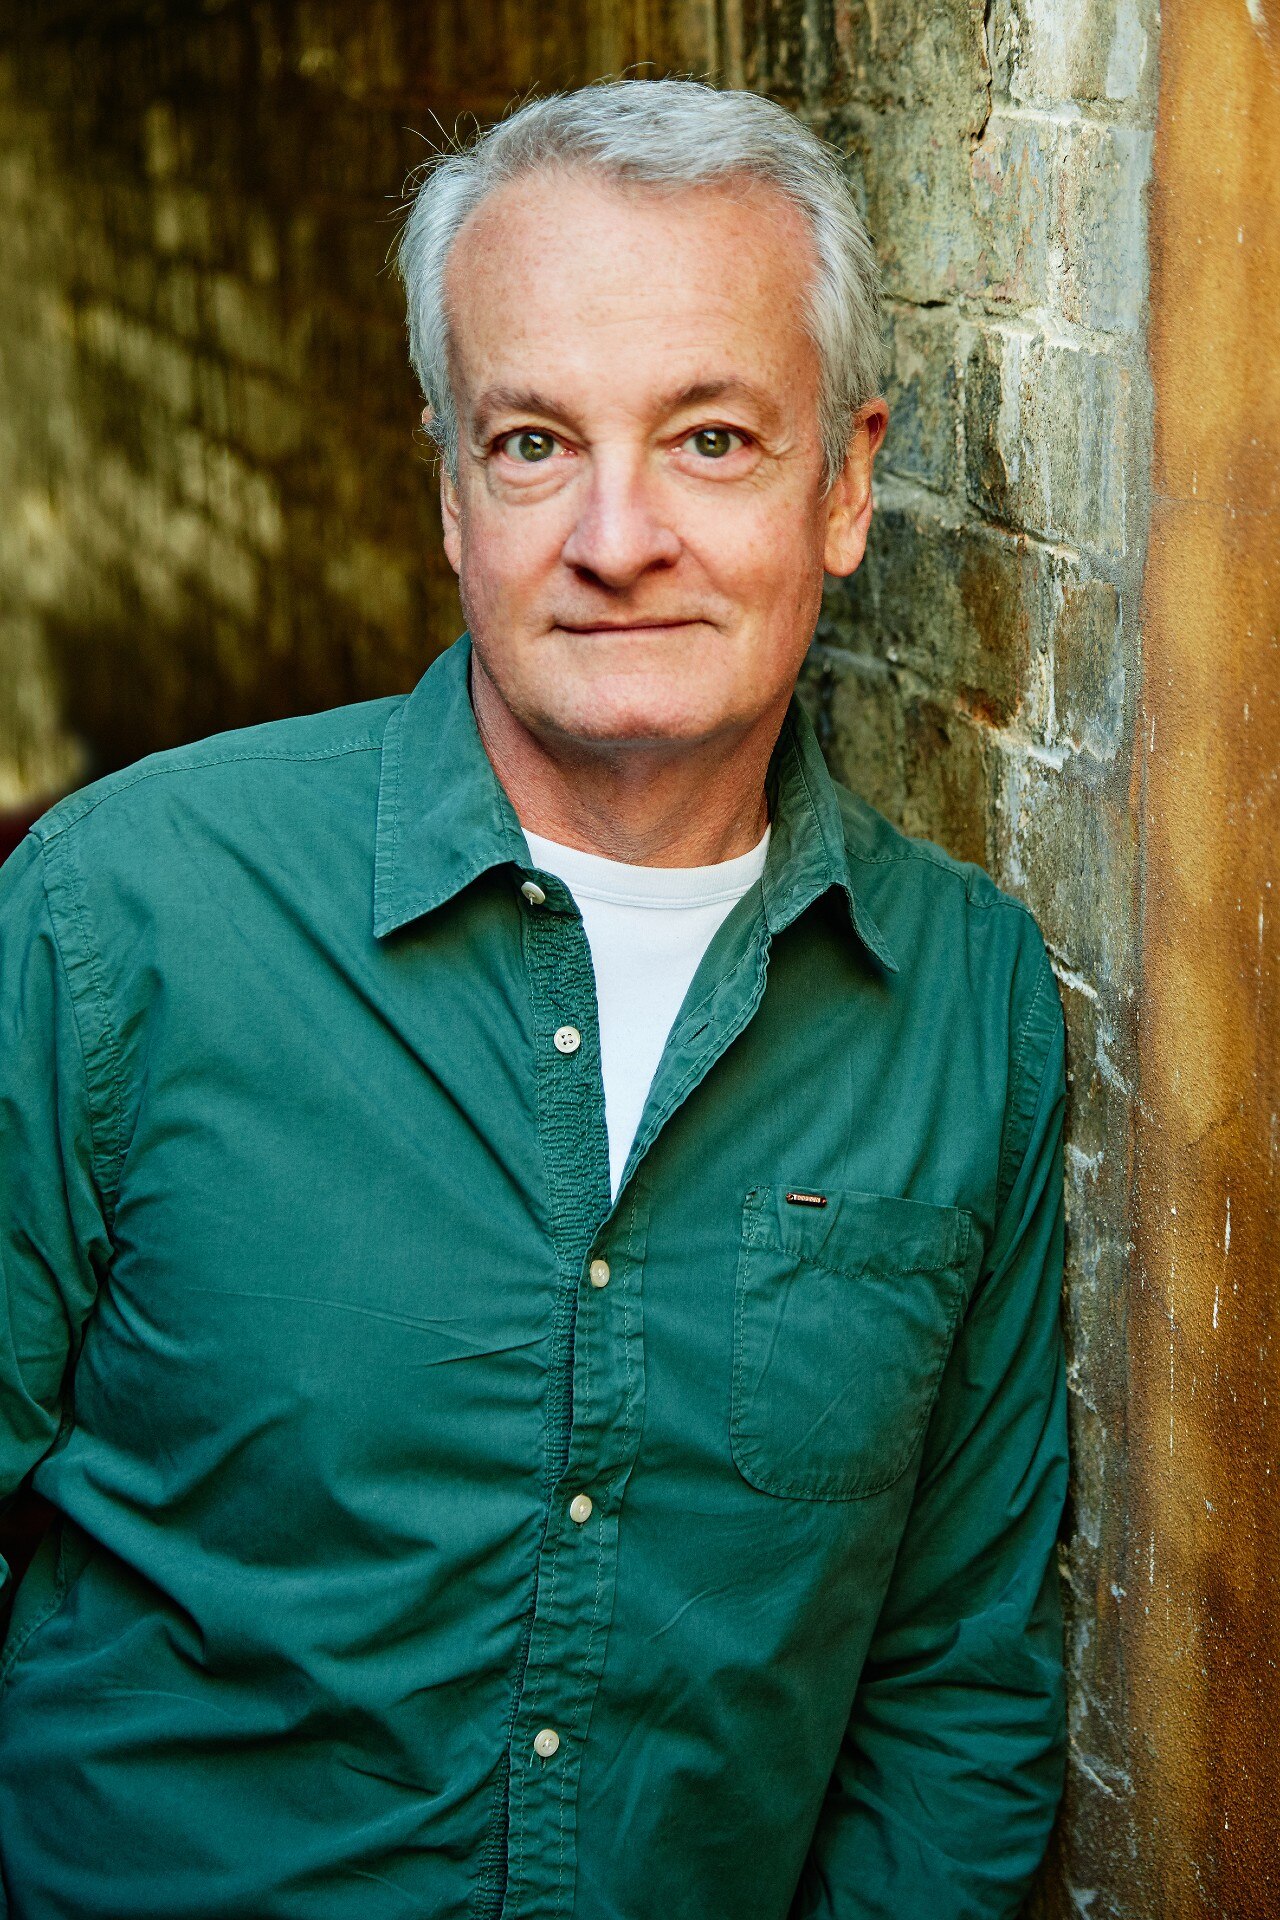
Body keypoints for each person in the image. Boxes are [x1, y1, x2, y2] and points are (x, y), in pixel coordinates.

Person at [0, 79, 1067, 1920]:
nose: (618, 533)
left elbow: (951, 1681)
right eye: (532, 444)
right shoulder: (123, 915)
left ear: (849, 487)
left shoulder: (967, 1006)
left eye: (714, 439)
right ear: (446, 492)